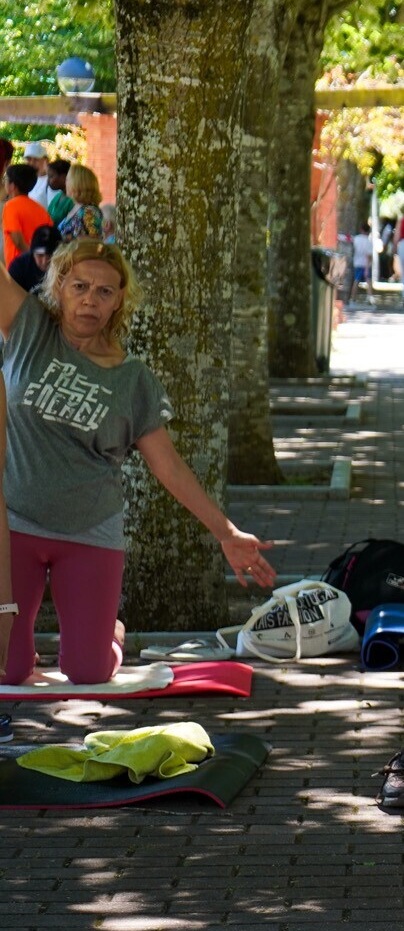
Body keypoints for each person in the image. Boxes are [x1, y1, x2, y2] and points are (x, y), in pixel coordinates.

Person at [0, 239, 277, 686]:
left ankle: (106, 635)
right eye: (80, 286)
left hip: (90, 530)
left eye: (104, 291)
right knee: (7, 671)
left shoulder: (134, 379)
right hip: (13, 526)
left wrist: (225, 533)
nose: (90, 299)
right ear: (59, 288)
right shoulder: (29, 327)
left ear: (119, 302)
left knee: (87, 673)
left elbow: (168, 467)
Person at [2, 165, 52, 269]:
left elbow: (18, 242)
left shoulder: (11, 206)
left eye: (6, 179)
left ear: (12, 185)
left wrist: (32, 260)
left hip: (18, 267)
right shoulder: (41, 209)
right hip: (40, 268)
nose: (4, 182)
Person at [55, 164, 110, 243]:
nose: (65, 183)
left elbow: (95, 240)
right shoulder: (77, 207)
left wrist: (70, 238)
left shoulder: (89, 210)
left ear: (77, 184)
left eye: (67, 180)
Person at [7, 224, 58, 292]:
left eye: (50, 255)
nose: (45, 261)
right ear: (32, 252)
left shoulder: (67, 260)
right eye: (40, 255)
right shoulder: (18, 269)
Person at [42, 160, 72, 230]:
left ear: (64, 177)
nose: (48, 181)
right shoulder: (58, 196)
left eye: (51, 176)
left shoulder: (72, 200)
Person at [20, 142, 51, 209]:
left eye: (36, 159)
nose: (32, 163)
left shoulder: (52, 182)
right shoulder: (22, 181)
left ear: (46, 160)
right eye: (29, 159)